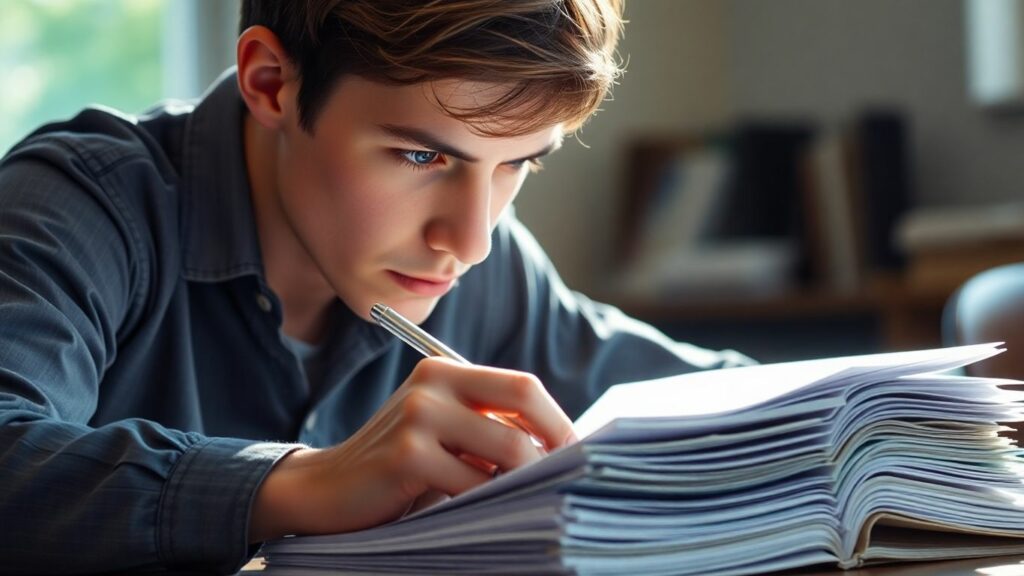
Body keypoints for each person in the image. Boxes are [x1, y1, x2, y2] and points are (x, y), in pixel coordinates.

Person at [0, 0, 750, 573]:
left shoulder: (485, 266)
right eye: (421, 158)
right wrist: (295, 485)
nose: (470, 240)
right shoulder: (82, 208)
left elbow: (720, 398)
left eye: (519, 163)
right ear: (272, 83)